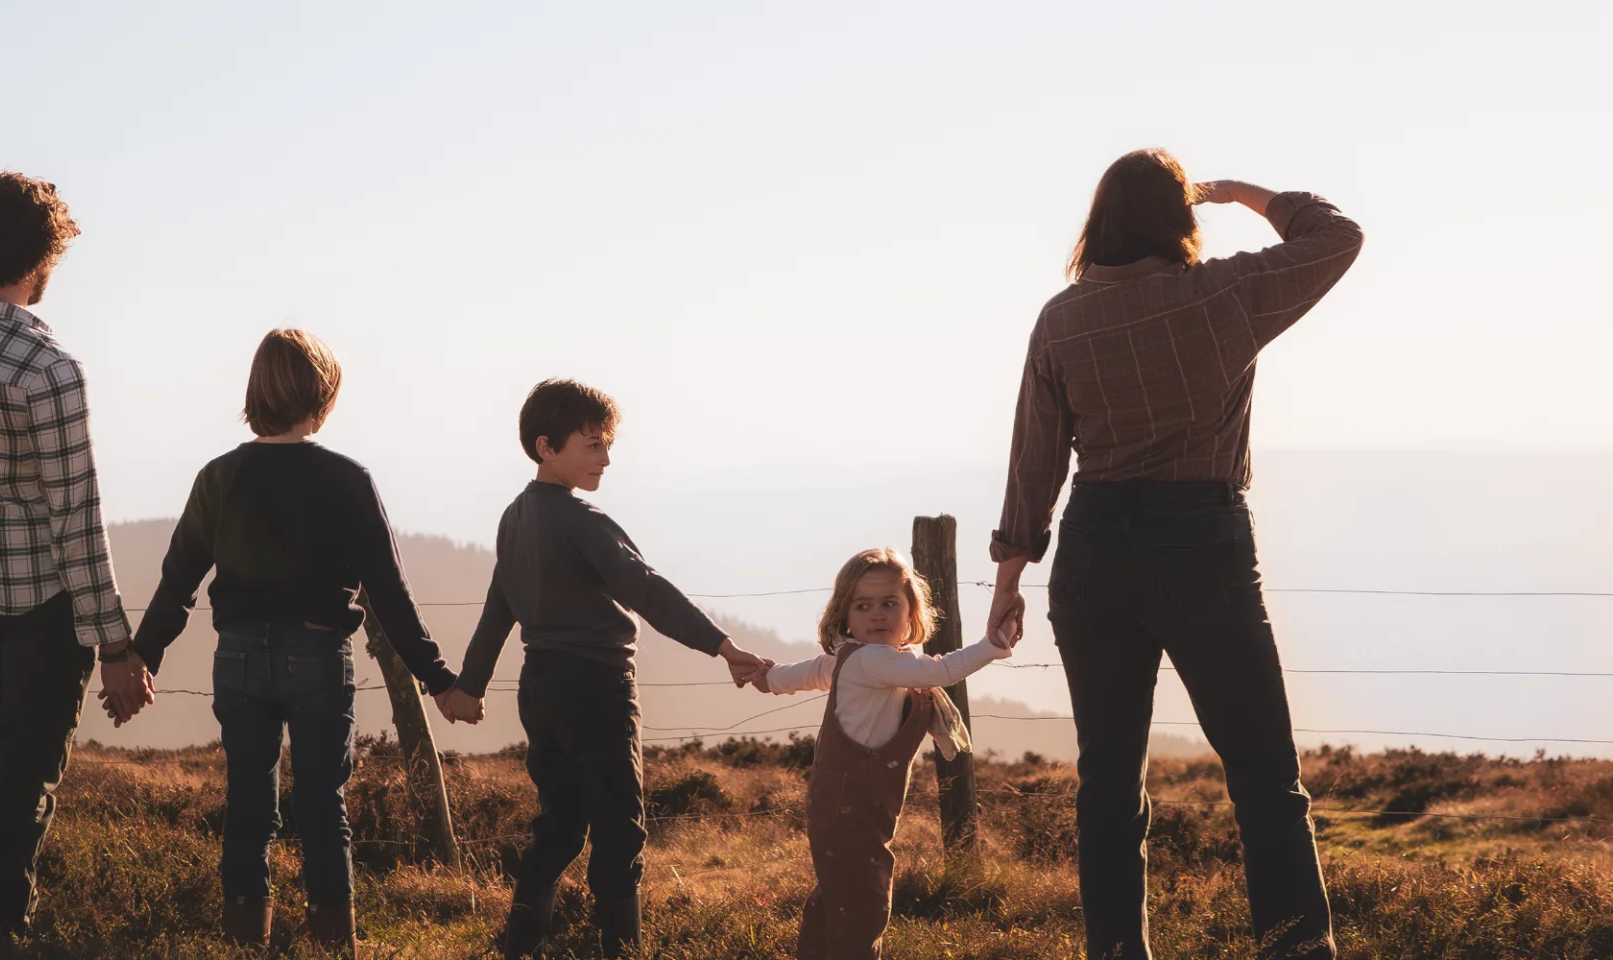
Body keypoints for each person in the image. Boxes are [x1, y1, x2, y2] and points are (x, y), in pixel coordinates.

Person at [985, 148, 1364, 960]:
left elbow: (1035, 461)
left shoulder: (1062, 319)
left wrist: (1008, 579)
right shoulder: (1223, 294)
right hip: (1203, 546)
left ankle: (1118, 953)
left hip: (1095, 554)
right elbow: (1336, 235)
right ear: (1180, 217)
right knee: (1264, 773)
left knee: (1110, 783)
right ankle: (1295, 949)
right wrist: (1240, 193)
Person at [127, 329, 459, 953]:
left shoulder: (218, 477)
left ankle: (244, 944)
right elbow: (390, 594)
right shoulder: (346, 479)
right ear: (322, 393)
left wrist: (142, 658)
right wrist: (438, 680)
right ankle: (335, 947)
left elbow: (177, 581)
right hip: (316, 655)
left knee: (248, 807)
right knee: (321, 808)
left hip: (240, 658)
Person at [0, 171, 154, 941]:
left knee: (0, 749)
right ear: (43, 257)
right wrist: (115, 643)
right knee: (27, 773)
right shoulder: (50, 374)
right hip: (41, 599)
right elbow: (76, 520)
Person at [442, 378, 769, 959]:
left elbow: (499, 609)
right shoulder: (581, 518)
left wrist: (469, 686)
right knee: (620, 825)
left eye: (606, 444)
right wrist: (721, 646)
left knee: (561, 822)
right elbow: (645, 589)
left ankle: (520, 946)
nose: (606, 458)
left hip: (540, 688)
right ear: (547, 446)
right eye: (592, 445)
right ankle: (620, 950)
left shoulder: (514, 518)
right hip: (598, 687)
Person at [749, 548, 1011, 959]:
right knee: (865, 903)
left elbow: (800, 674)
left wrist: (768, 678)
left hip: (842, 802)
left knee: (839, 894)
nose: (877, 615)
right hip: (851, 804)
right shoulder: (872, 661)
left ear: (911, 612)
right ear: (845, 615)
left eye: (890, 603)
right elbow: (940, 670)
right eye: (863, 605)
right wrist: (992, 645)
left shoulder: (850, 659)